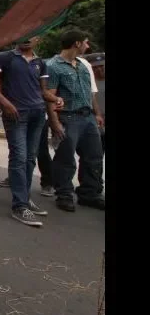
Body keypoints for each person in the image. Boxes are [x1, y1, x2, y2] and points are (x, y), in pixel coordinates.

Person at [0, 37, 63, 227]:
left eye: (32, 35)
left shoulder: (40, 63)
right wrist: (5, 104)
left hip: (37, 114)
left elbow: (42, 91)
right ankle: (19, 205)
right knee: (19, 157)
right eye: (24, 34)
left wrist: (55, 99)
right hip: (16, 114)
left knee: (30, 158)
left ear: (38, 38)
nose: (27, 38)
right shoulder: (5, 57)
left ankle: (25, 199)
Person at [46, 30, 105, 212]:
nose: (88, 46)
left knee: (93, 157)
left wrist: (97, 113)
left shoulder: (82, 64)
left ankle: (89, 193)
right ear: (77, 44)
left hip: (87, 117)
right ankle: (64, 194)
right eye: (85, 42)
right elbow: (50, 96)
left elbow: (89, 91)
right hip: (68, 118)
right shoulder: (53, 66)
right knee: (65, 158)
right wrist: (55, 123)